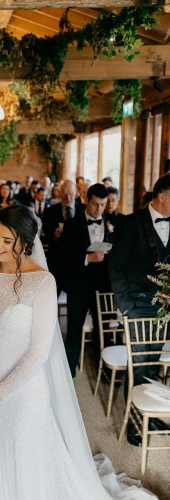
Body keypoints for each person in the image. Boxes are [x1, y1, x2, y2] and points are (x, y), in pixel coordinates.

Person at [0, 204, 170, 500]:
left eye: (6, 239)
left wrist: (0, 393)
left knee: (28, 465)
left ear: (26, 243)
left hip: (24, 393)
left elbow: (38, 353)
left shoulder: (42, 283)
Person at [109, 172, 170, 445]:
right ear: (162, 195)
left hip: (162, 308)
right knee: (137, 366)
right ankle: (134, 421)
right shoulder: (131, 223)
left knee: (153, 364)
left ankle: (148, 413)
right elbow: (116, 265)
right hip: (135, 306)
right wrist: (125, 307)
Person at [60, 183, 111, 377]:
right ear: (86, 201)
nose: (99, 209)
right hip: (79, 285)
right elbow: (62, 256)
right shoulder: (72, 224)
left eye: (103, 205)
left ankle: (104, 369)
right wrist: (86, 258)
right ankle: (69, 370)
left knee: (103, 329)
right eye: (95, 204)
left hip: (103, 286)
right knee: (74, 329)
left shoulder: (112, 222)